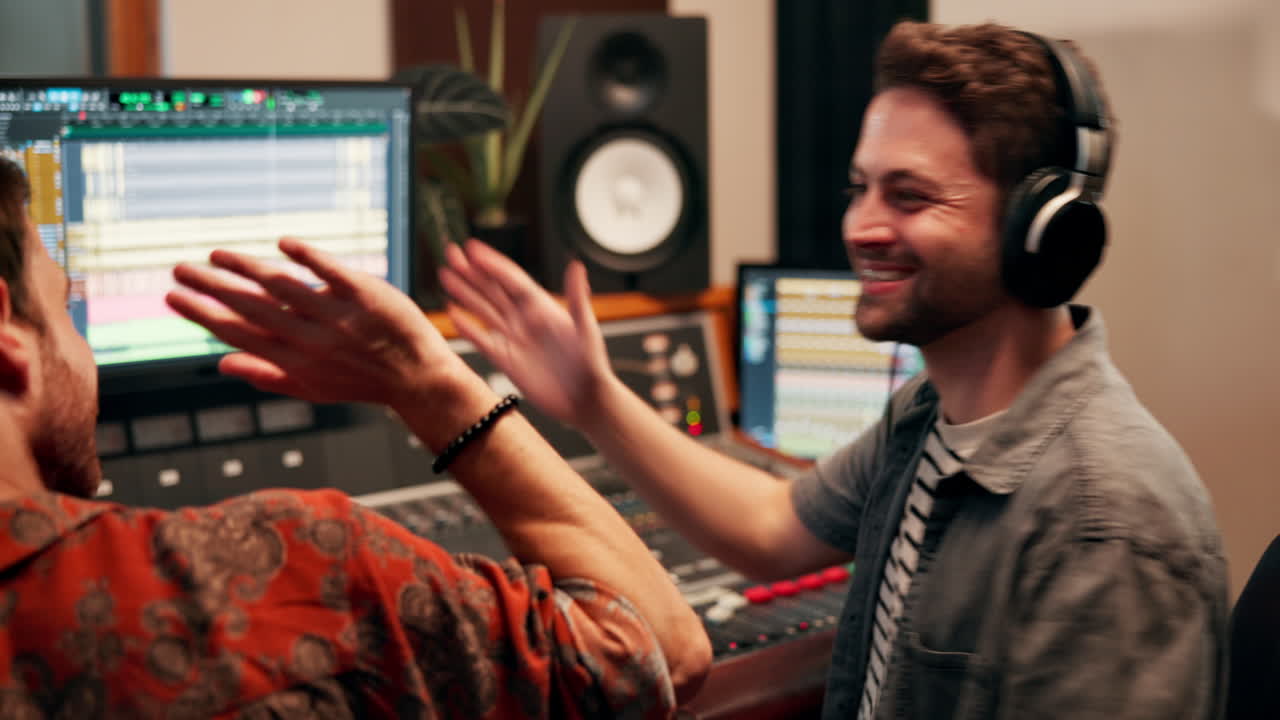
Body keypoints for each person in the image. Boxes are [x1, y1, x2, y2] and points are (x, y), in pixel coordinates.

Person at [440, 20, 1229, 720]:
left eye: (911, 196)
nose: (862, 228)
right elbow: (773, 529)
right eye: (860, 188)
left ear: (1042, 231)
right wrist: (594, 398)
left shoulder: (1108, 525)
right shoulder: (930, 415)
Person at [0, 156, 710, 718]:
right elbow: (660, 650)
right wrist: (427, 377)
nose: (83, 349)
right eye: (66, 309)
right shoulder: (299, 568)